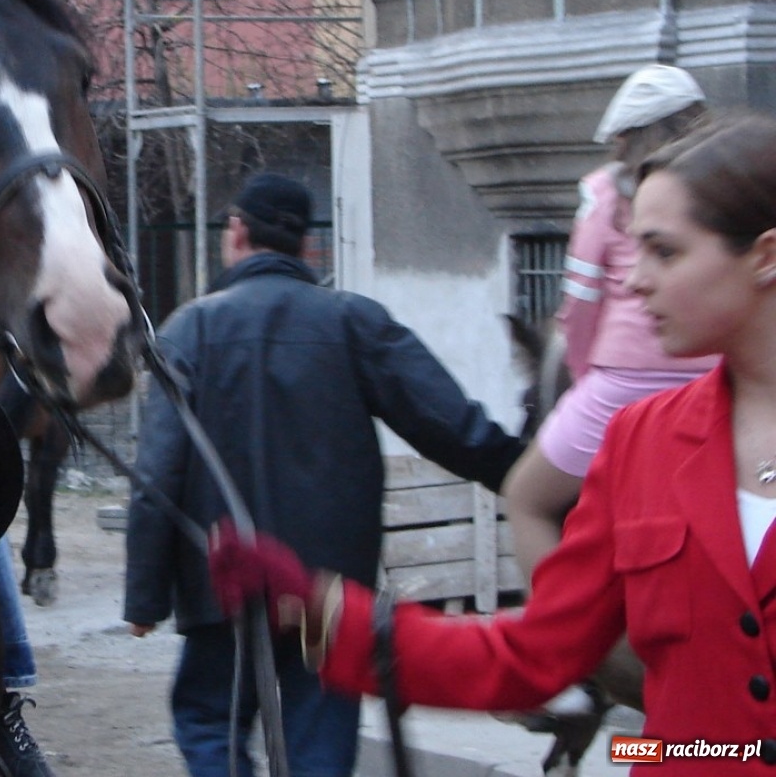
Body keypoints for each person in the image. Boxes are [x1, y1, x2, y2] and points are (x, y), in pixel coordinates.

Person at [207, 112, 776, 772]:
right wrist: (319, 614)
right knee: (529, 493)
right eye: (635, 247)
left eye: (665, 251)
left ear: (764, 256)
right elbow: (531, 657)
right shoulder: (639, 442)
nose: (633, 279)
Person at [123, 173, 524, 777]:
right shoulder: (352, 321)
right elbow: (448, 423)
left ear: (236, 231)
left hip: (221, 585)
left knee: (211, 723)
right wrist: (533, 480)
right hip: (329, 595)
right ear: (304, 245)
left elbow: (156, 473)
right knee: (321, 732)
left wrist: (145, 596)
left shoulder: (189, 330)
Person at [504, 64, 715, 577]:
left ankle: (554, 643)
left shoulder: (603, 193)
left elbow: (579, 301)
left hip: (624, 382)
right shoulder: (722, 185)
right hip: (716, 376)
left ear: (627, 135)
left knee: (526, 498)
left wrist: (581, 375)